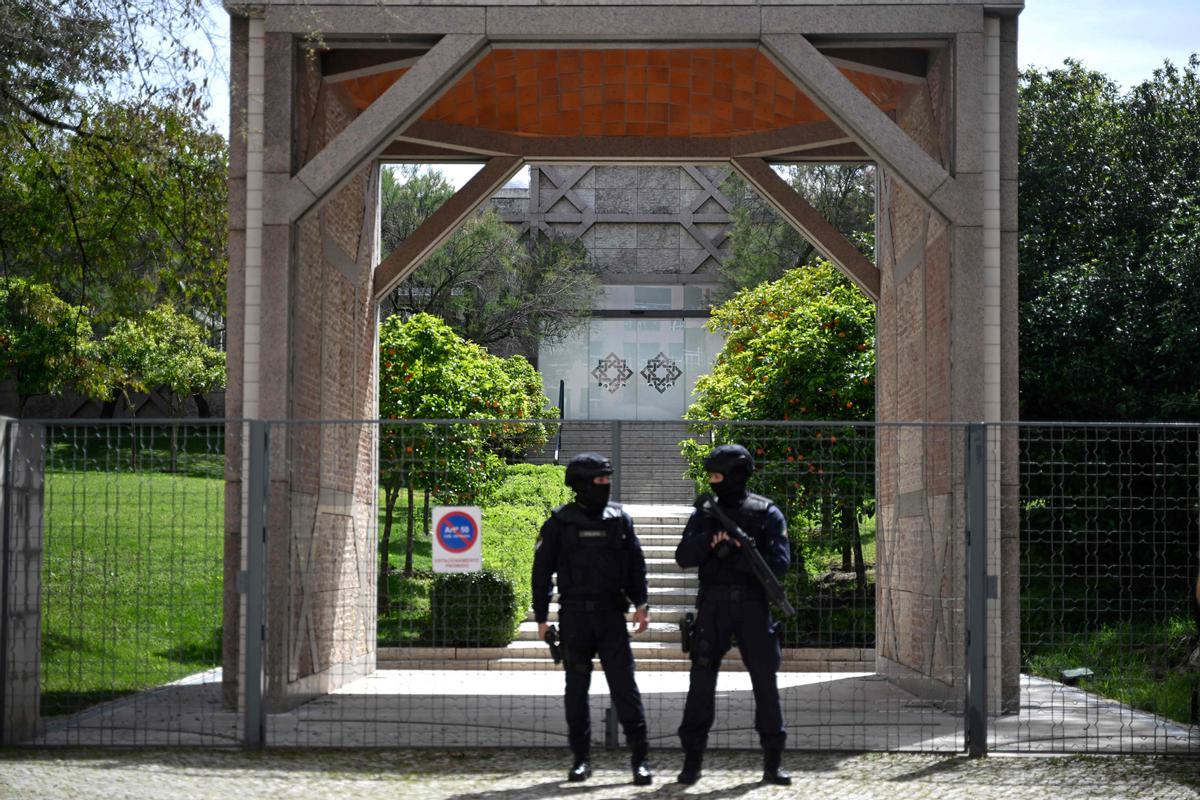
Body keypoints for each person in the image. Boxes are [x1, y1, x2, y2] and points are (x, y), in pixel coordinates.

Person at [532, 452, 653, 785]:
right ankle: (581, 759)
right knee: (576, 690)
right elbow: (541, 572)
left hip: (612, 617)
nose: (606, 485)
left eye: (607, 480)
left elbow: (636, 565)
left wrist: (642, 604)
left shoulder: (619, 519)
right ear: (583, 485)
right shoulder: (559, 522)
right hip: (574, 620)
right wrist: (541, 617)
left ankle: (640, 760)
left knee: (625, 688)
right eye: (600, 480)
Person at [675, 444, 792, 786]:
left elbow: (780, 564)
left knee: (765, 684)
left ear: (736, 476)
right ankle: (692, 761)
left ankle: (773, 763)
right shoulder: (705, 514)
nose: (712, 483)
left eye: (717, 476)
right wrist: (712, 541)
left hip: (753, 607)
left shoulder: (766, 512)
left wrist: (740, 553)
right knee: (700, 684)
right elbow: (683, 556)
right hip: (712, 607)